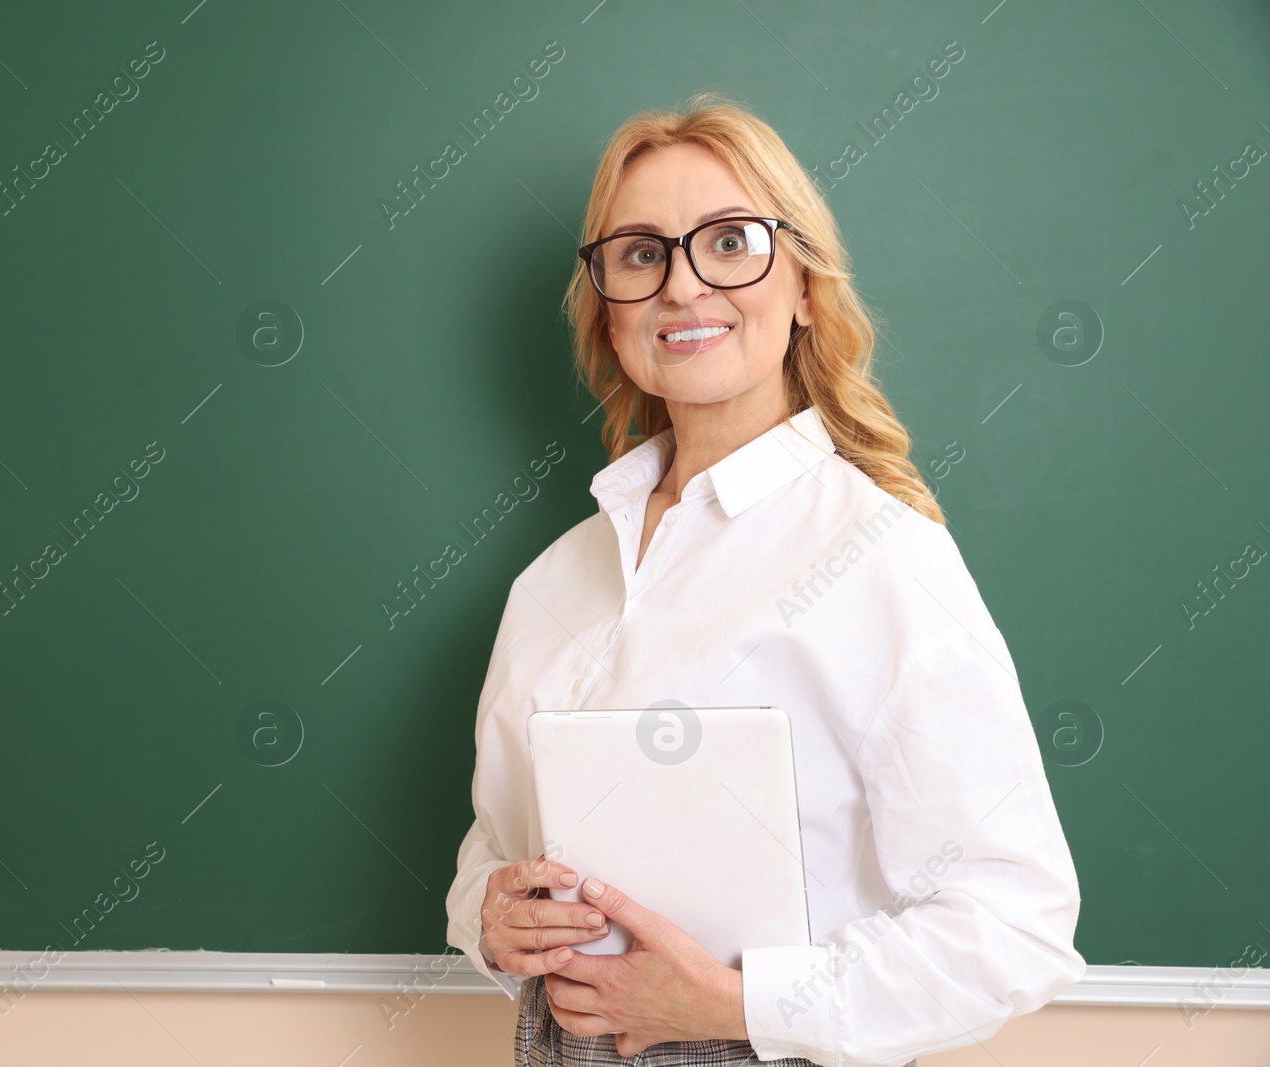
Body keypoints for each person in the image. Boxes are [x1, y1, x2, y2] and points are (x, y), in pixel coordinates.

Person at [443, 92, 1085, 1067]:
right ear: (607, 307)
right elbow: (492, 844)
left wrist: (738, 1002)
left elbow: (1012, 923)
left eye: (730, 241)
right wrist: (487, 916)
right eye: (641, 252)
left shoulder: (879, 554)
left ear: (803, 288)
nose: (682, 285)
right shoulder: (555, 578)